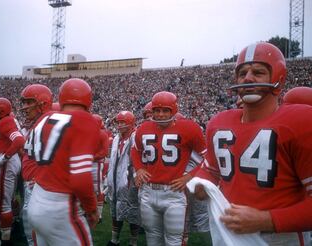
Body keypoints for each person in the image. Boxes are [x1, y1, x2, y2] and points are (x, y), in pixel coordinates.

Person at [194, 42, 312, 245]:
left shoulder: (301, 121)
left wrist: (266, 219)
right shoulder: (219, 122)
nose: (248, 78)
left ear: (278, 78)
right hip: (228, 230)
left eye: (258, 72)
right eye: (242, 73)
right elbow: (210, 169)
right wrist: (201, 183)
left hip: (280, 236)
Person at [26, 78, 100, 245]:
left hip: (37, 197)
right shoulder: (84, 119)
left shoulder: (44, 118)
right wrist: (92, 208)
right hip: (60, 206)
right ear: (88, 100)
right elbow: (80, 178)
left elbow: (27, 163)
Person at [131, 91, 206, 246]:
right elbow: (135, 150)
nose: (160, 115)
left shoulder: (190, 128)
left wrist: (189, 176)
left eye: (165, 110)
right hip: (148, 191)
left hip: (173, 193)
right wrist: (138, 168)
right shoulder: (144, 128)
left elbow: (208, 157)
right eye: (157, 110)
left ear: (174, 110)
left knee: (173, 240)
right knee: (152, 238)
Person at [20, 84, 53, 246]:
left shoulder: (48, 123)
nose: (24, 107)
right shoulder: (37, 123)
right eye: (24, 103)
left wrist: (41, 178)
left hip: (40, 186)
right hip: (32, 183)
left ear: (43, 103)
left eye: (29, 102)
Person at [0, 97, 25, 245]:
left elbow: (19, 141)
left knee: (2, 202)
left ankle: (4, 238)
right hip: (10, 161)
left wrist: (3, 158)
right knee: (5, 200)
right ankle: (7, 233)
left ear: (1, 110)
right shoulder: (6, 121)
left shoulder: (5, 121)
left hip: (7, 162)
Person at [107, 111, 140, 246]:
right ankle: (115, 239)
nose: (119, 125)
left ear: (131, 124)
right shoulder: (116, 138)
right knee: (115, 209)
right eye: (118, 122)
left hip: (130, 181)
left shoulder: (135, 138)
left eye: (123, 122)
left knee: (133, 211)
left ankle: (134, 241)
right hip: (115, 180)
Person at [91, 114, 109, 224]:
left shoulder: (102, 134)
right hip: (89, 163)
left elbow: (104, 151)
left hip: (96, 164)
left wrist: (91, 157)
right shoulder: (88, 133)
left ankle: (99, 214)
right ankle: (90, 210)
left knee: (98, 190)